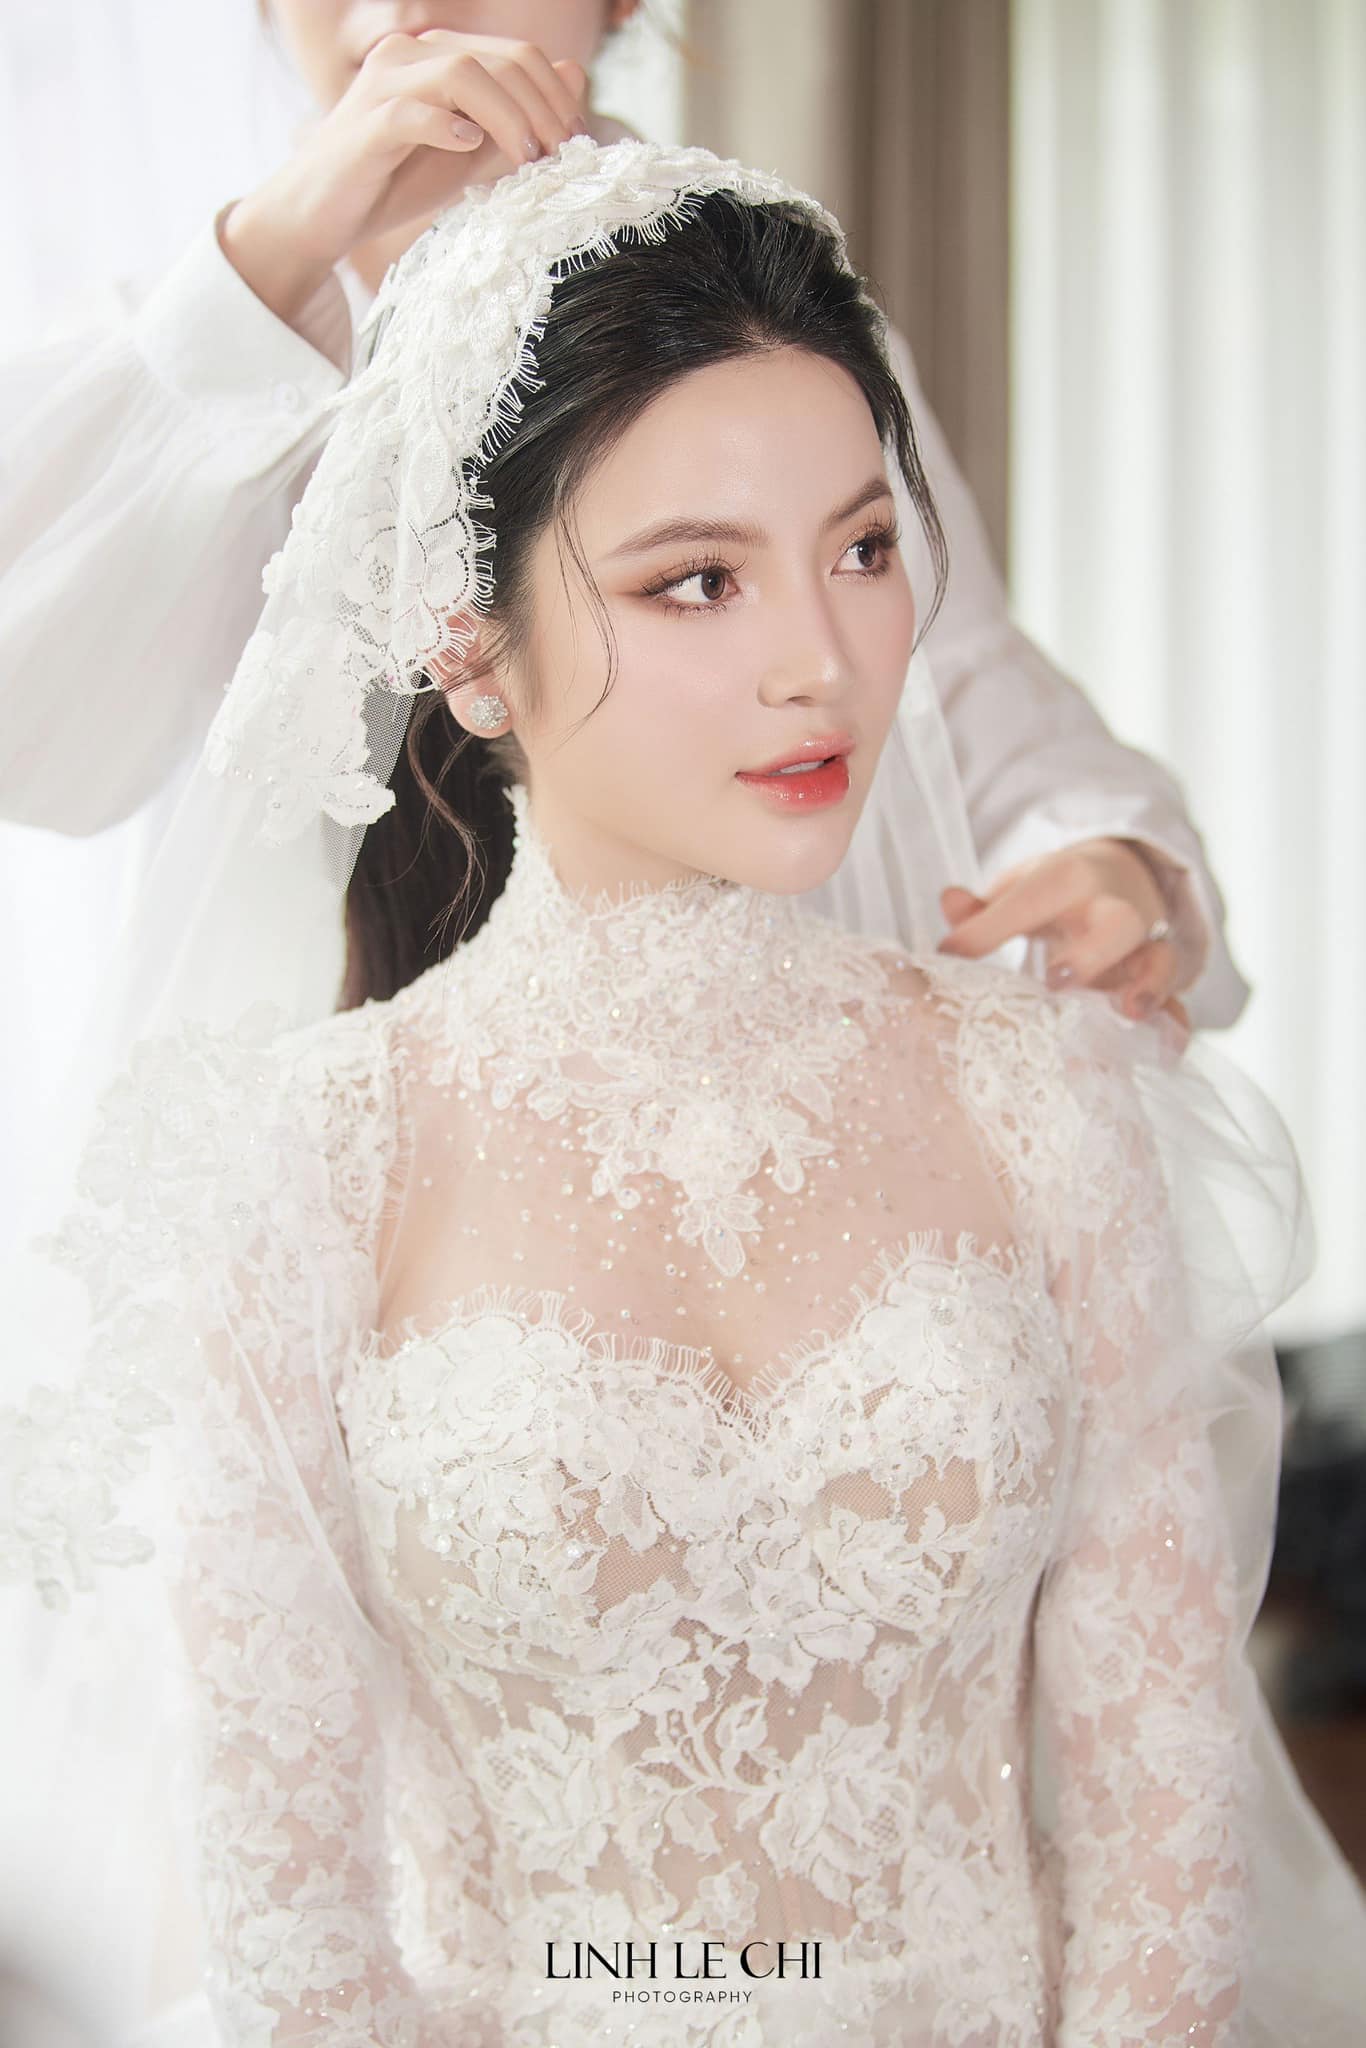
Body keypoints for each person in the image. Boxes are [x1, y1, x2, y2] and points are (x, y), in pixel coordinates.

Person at [3, 135, 1363, 2048]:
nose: (821, 661)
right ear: (467, 647)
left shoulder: (1043, 1094)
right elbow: (301, 1937)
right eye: (698, 579)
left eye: (863, 549)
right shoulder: (308, 1159)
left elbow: (1162, 1840)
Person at [0, 2, 1248, 1035]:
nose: (403, 8)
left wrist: (1111, 861)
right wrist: (270, 261)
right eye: (696, 577)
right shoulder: (168, 345)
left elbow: (956, 687)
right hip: (314, 1103)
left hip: (732, 1083)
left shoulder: (765, 317)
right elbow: (35, 727)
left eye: (861, 549)